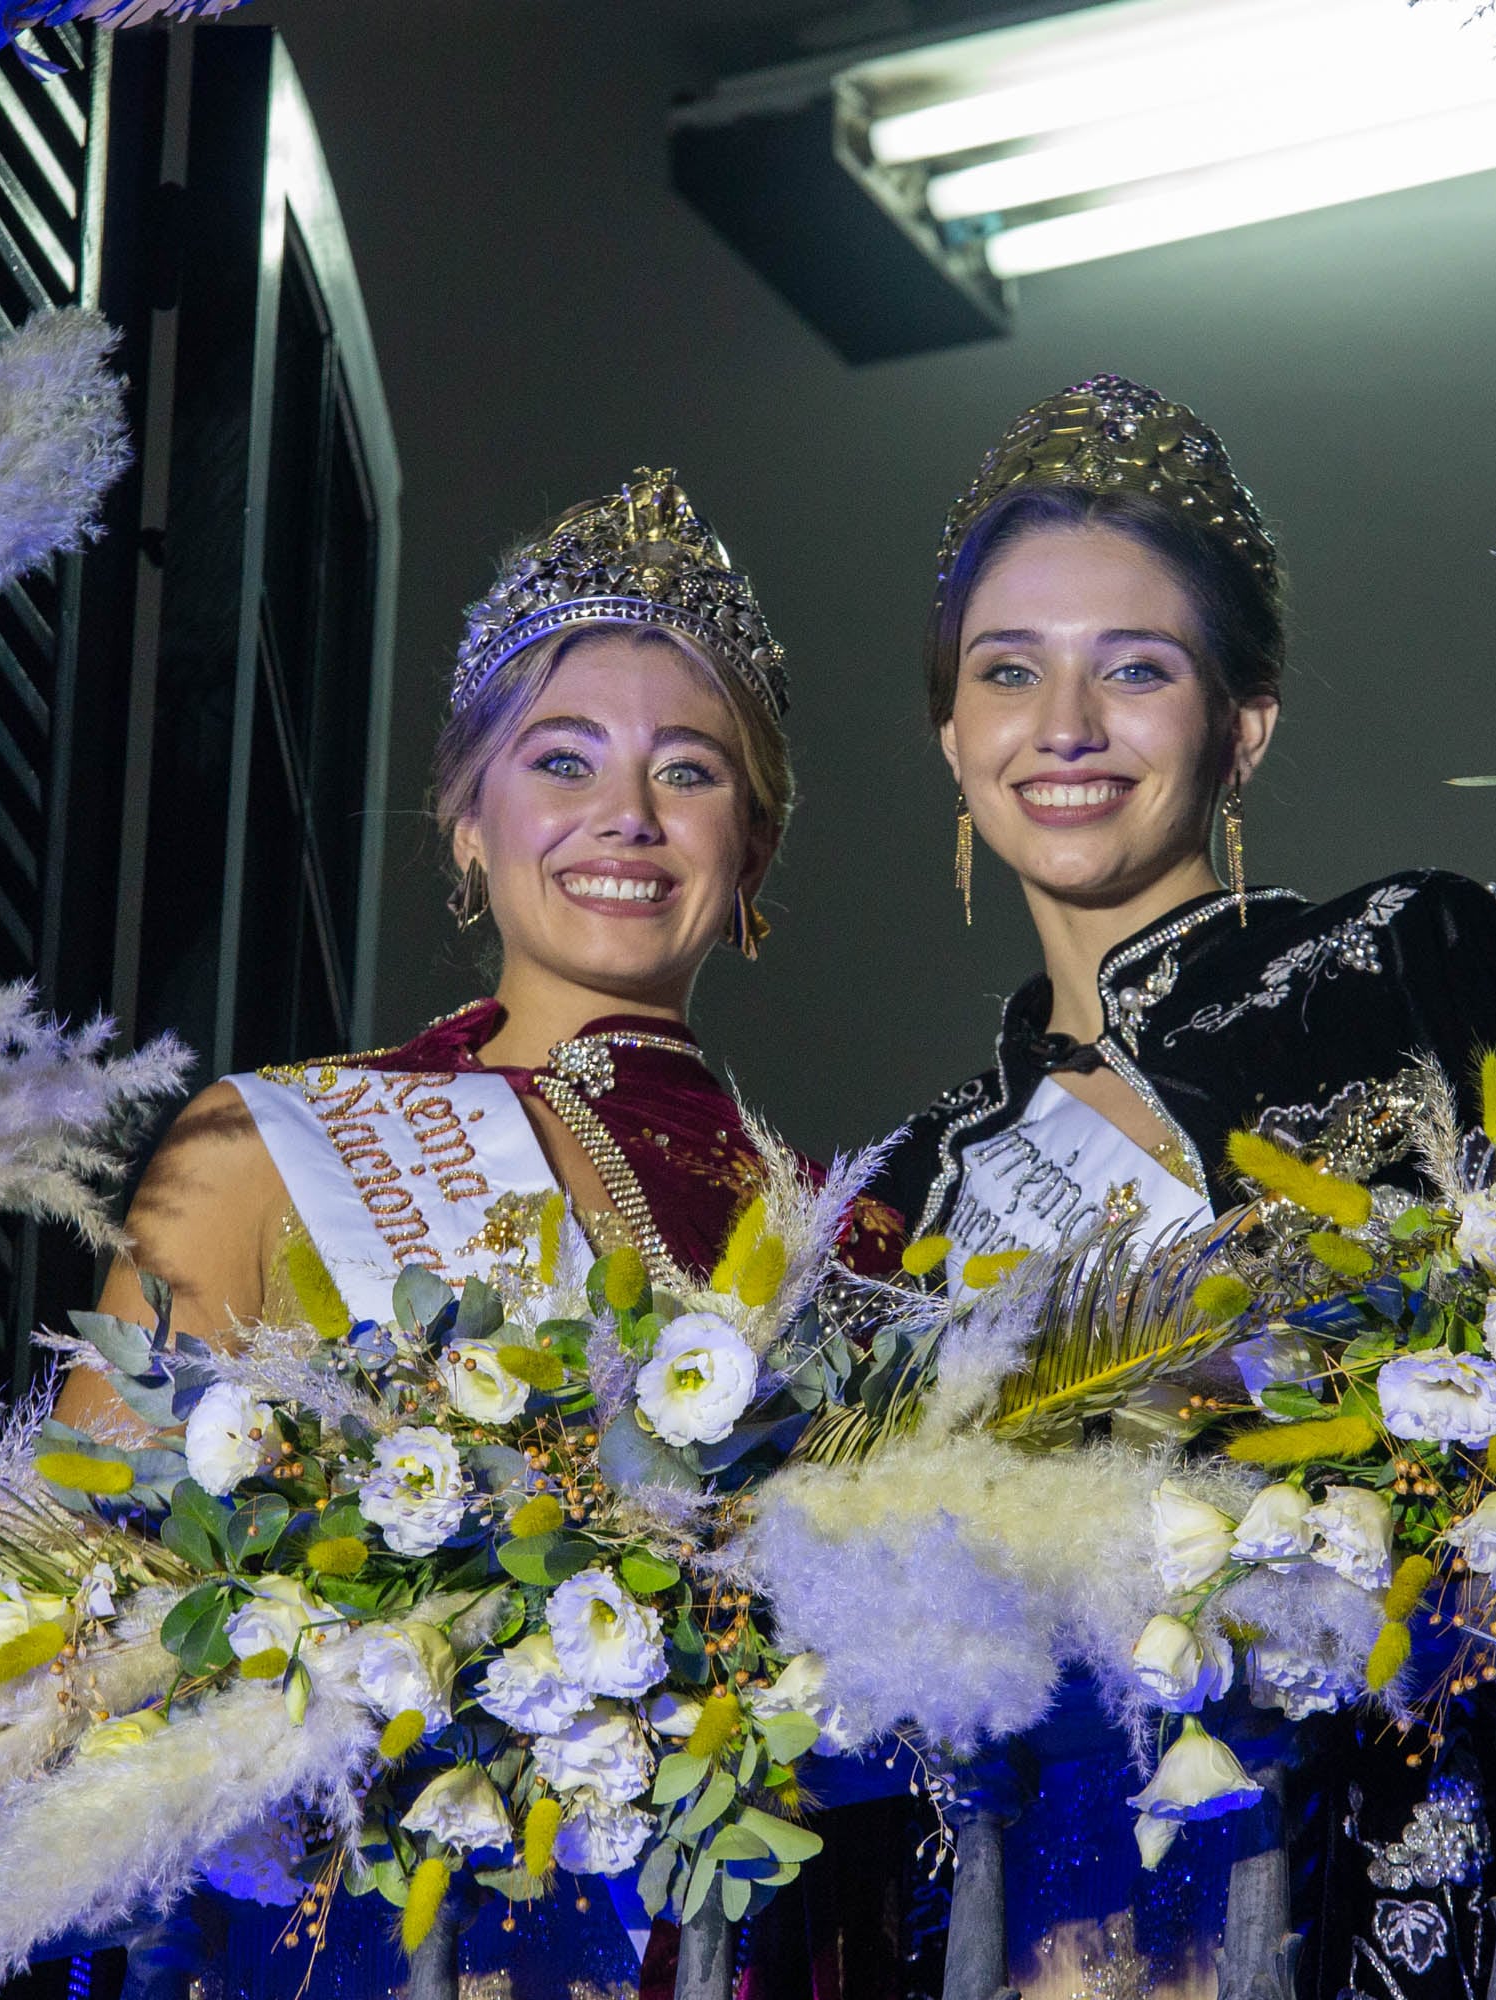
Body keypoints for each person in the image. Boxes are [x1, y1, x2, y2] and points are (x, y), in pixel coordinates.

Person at [856, 379, 1496, 2000]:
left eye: (1136, 667)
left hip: (1371, 1857)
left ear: (1243, 722)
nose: (1065, 724)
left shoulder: (1399, 960)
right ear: (952, 740)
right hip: (1039, 1915)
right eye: (1008, 673)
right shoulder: (902, 1186)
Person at [59, 470, 897, 2000]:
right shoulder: (268, 1148)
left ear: (754, 854)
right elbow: (85, 1598)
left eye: (690, 773)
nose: (626, 819)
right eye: (561, 759)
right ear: (466, 815)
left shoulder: (859, 1232)